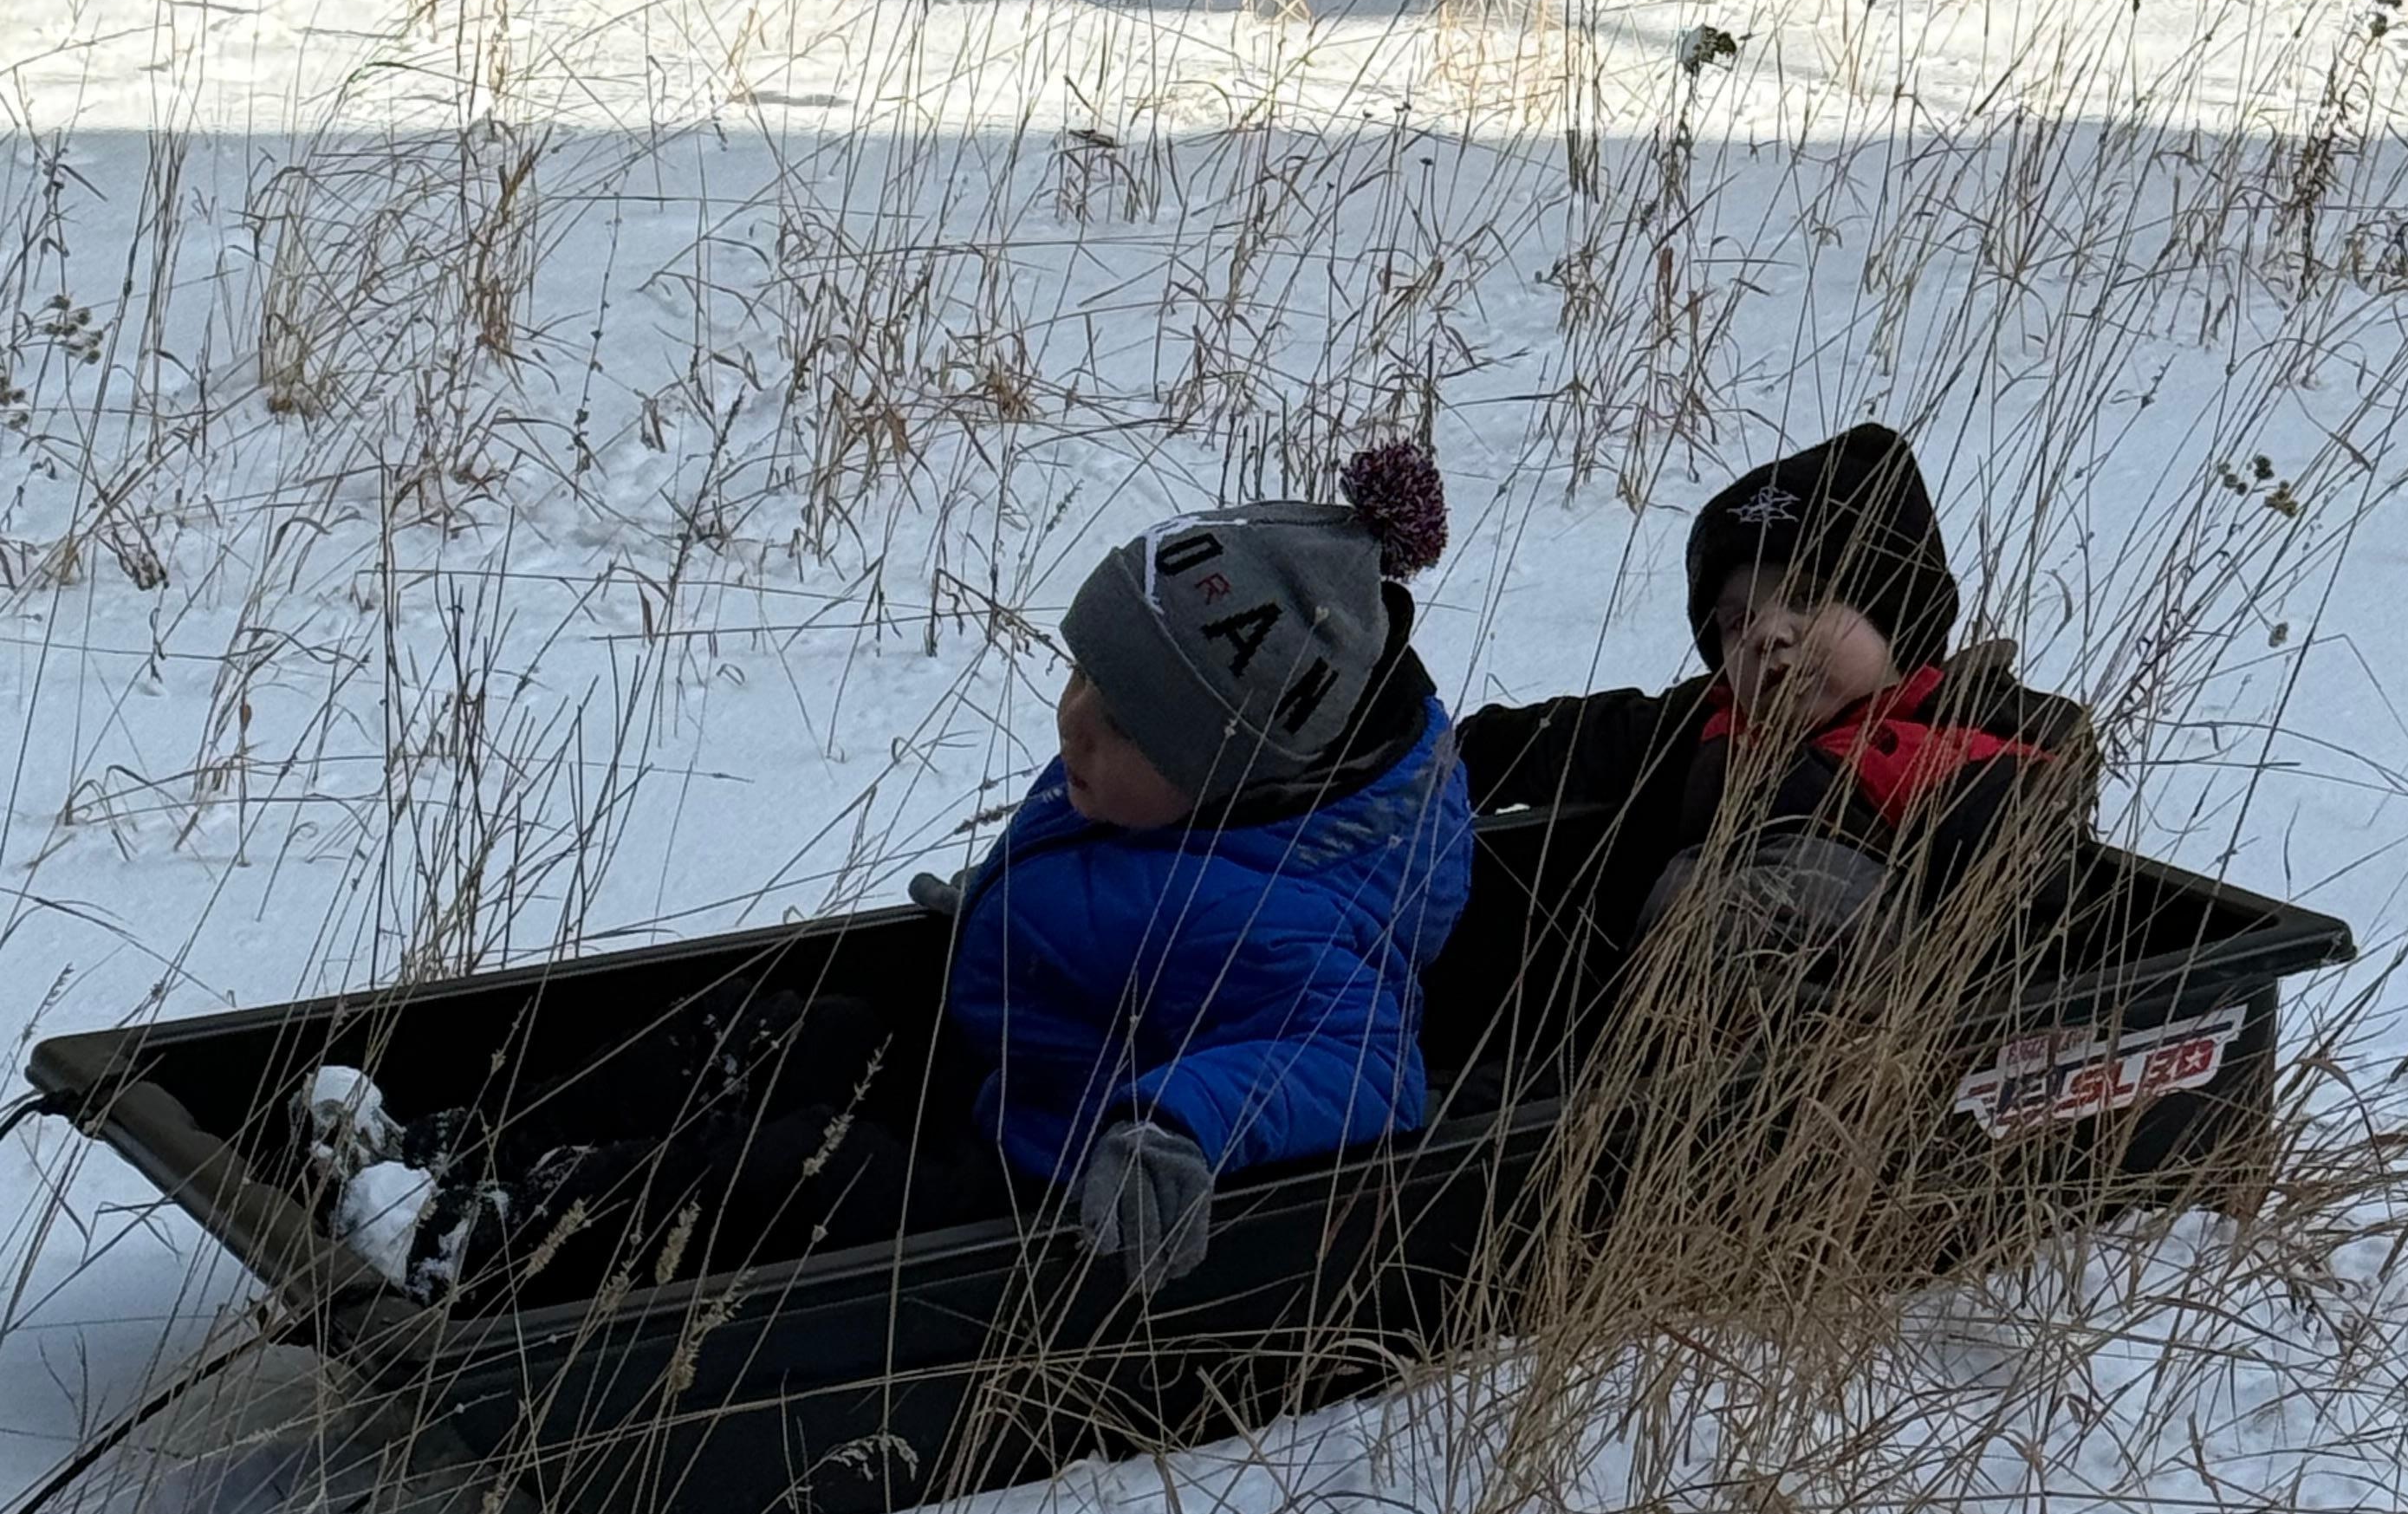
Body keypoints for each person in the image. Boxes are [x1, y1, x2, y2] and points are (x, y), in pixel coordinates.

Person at [306, 445, 1475, 1303]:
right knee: (780, 1036)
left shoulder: (1299, 915)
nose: (1075, 729)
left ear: (1224, 779)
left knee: (801, 1173)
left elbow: (1364, 1065)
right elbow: (1121, 885)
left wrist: (1181, 1123)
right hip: (993, 1067)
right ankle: (465, 1148)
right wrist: (1005, 919)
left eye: (1122, 728)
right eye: (1083, 683)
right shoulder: (1156, 787)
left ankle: (497, 1246)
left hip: (1048, 1180)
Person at [1457, 424, 2094, 995]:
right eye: (1739, 622)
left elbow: (2031, 896)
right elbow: (1576, 741)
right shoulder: (1713, 722)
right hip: (1677, 1022)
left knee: (1796, 884)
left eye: (1809, 599)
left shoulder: (1971, 749)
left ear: (1897, 618)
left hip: (1858, 1043)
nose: (1768, 634)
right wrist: (1450, 754)